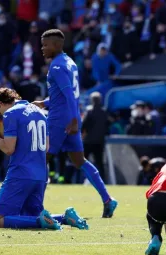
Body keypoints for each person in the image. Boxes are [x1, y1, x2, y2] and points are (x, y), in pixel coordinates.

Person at [33, 29, 118, 218]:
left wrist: (73, 119)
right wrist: (45, 103)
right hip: (68, 118)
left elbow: (70, 95)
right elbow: (65, 93)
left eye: (45, 45)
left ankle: (34, 206)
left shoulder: (56, 67)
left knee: (41, 159)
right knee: (80, 161)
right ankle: (107, 199)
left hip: (60, 120)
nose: (43, 48)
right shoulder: (69, 62)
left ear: (56, 45)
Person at [0, 88, 88, 230]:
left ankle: (44, 222)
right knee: (29, 215)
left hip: (20, 173)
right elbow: (47, 146)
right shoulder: (39, 112)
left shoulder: (11, 113)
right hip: (40, 175)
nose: (1, 115)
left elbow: (8, 149)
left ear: (0, 103)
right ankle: (65, 218)